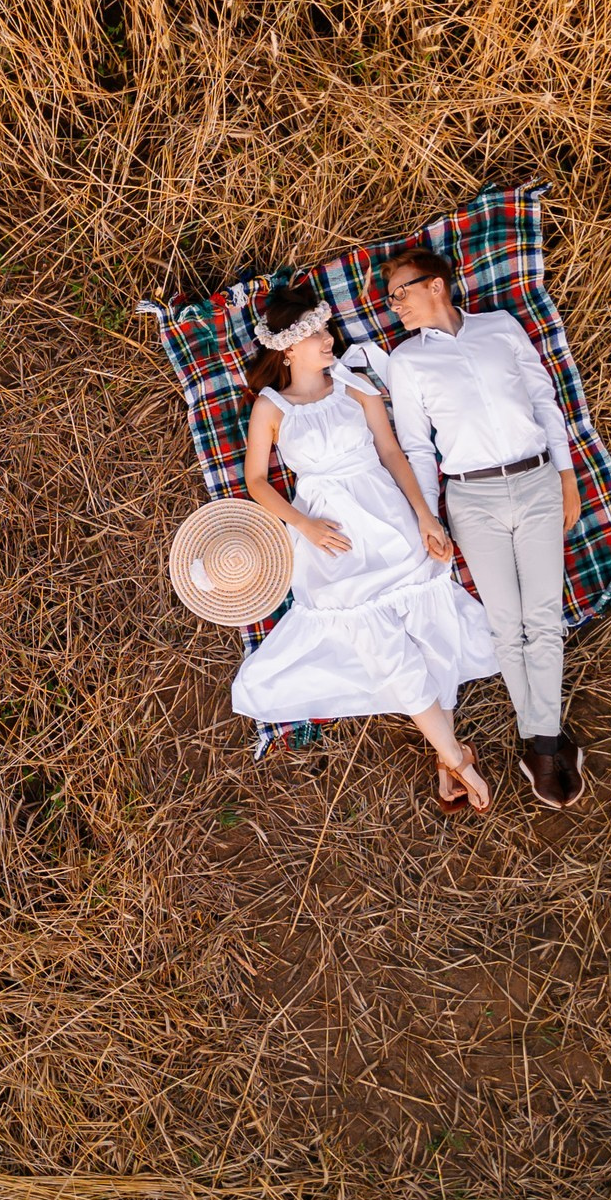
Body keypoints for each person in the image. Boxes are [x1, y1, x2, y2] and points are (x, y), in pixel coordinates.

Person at [230, 282, 501, 812]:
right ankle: (454, 755)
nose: (330, 340)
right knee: (377, 639)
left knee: (429, 632)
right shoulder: (271, 406)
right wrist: (303, 525)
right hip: (330, 535)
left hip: (387, 517)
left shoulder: (355, 387)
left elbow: (393, 454)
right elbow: (258, 482)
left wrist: (426, 518)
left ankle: (451, 755)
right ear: (288, 347)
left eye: (328, 329)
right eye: (316, 334)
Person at [381, 246, 588, 808]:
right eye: (391, 296)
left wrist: (568, 477)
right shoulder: (407, 361)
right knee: (507, 624)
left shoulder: (500, 327)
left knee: (543, 617)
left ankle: (538, 743)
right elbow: (418, 447)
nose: (395, 304)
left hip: (538, 480)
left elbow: (545, 400)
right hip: (471, 498)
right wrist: (429, 515)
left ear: (437, 285)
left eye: (403, 292)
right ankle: (545, 742)